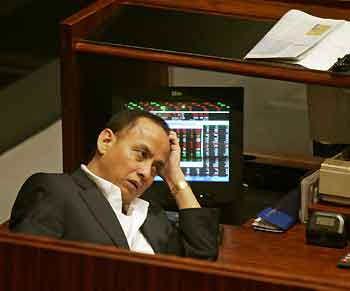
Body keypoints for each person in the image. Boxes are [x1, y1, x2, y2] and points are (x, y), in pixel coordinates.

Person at [10, 110, 219, 260]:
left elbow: (202, 256)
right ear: (106, 141)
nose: (146, 173)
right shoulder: (56, 191)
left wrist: (175, 179)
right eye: (141, 154)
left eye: (156, 167)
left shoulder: (151, 215)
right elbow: (28, 272)